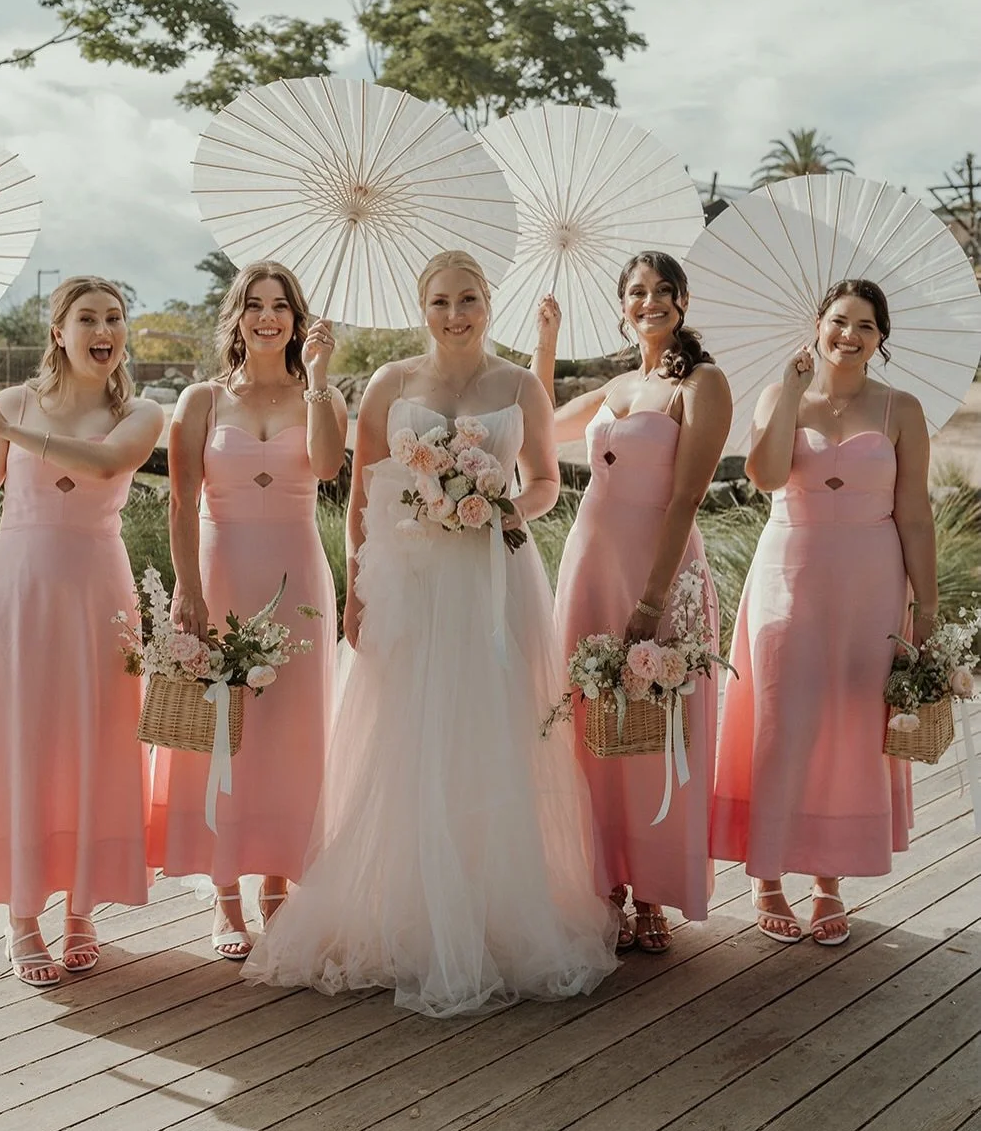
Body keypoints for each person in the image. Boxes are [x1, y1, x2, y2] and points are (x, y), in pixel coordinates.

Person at [241, 249, 618, 1016]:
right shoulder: (390, 384)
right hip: (407, 582)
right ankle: (404, 914)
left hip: (491, 581)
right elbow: (359, 495)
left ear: (488, 303)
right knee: (404, 737)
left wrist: (501, 505)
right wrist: (357, 582)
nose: (456, 313)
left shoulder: (519, 387)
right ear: (422, 307)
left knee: (492, 734)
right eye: (441, 300)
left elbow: (545, 481)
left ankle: (488, 914)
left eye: (469, 299)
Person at [0, 277, 163, 986]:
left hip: (97, 589)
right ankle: (22, 916)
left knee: (94, 736)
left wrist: (11, 430)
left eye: (113, 317)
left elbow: (107, 464)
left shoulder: (143, 411)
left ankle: (83, 907)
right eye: (86, 318)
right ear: (59, 331)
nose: (102, 329)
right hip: (18, 587)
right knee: (20, 738)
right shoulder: (15, 402)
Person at [711, 280, 935, 945]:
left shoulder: (901, 408)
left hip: (870, 579)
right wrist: (785, 388)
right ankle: (767, 875)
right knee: (783, 714)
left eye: (864, 326)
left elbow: (915, 512)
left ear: (880, 339)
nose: (848, 335)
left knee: (848, 720)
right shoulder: (778, 395)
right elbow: (764, 475)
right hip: (790, 571)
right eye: (838, 321)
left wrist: (924, 601)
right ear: (817, 324)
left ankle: (828, 880)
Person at [533, 254, 732, 950]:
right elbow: (537, 429)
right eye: (636, 292)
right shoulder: (616, 384)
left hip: (658, 571)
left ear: (681, 299)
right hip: (589, 567)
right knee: (589, 731)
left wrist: (652, 598)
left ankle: (651, 890)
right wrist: (548, 344)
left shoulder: (701, 384)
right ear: (621, 305)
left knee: (656, 728)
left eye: (661, 291)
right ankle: (602, 886)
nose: (649, 302)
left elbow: (686, 496)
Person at [148, 262, 344, 959]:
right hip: (221, 572)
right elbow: (178, 502)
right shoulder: (200, 400)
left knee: (292, 734)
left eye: (280, 306)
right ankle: (225, 896)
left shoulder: (319, 395)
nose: (268, 318)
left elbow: (325, 468)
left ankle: (278, 885)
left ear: (297, 318)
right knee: (225, 730)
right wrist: (187, 587)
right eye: (254, 305)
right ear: (235, 316)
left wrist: (319, 378)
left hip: (298, 582)